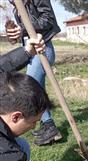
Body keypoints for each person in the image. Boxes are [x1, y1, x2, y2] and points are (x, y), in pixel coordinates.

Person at [6, 0, 62, 146]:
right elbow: (24, 33)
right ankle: (46, 125)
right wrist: (16, 34)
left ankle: (50, 127)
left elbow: (48, 19)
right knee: (38, 89)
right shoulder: (17, 7)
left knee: (31, 90)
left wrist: (22, 28)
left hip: (43, 48)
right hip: (30, 51)